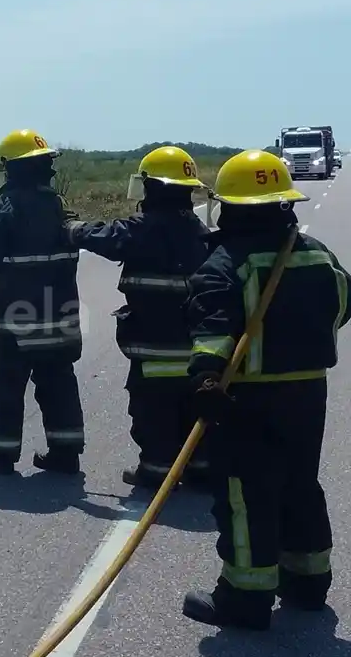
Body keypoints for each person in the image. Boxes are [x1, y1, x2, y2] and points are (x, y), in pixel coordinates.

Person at [180, 149, 350, 630]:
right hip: (307, 394)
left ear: (232, 207)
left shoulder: (225, 264)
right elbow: (343, 304)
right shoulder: (318, 254)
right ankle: (308, 584)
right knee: (300, 483)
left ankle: (245, 599)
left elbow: (213, 330)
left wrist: (206, 378)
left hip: (246, 399)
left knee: (245, 494)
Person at [62, 146, 212, 492]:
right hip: (197, 350)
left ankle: (155, 472)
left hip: (155, 348)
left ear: (152, 187)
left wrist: (71, 228)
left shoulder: (143, 229)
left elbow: (106, 238)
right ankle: (200, 470)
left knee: (154, 413)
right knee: (195, 411)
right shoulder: (201, 232)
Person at [0, 129, 85, 476]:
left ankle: (0, 456)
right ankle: (65, 455)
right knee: (58, 385)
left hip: (17, 325)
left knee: (4, 387)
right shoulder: (61, 208)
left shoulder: (4, 210)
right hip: (60, 319)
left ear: (10, 168)